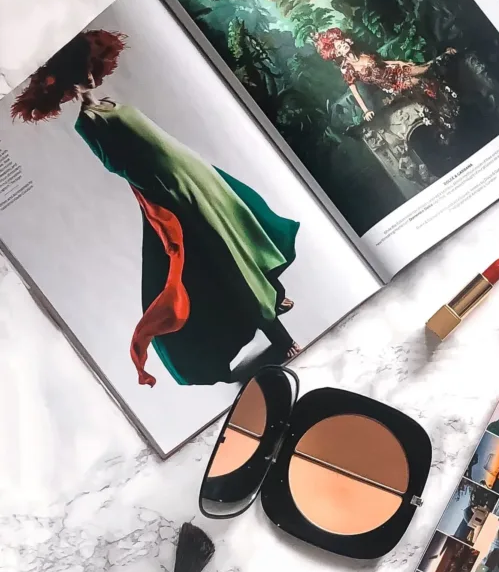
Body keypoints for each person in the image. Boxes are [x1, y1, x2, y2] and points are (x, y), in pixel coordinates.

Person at [11, 30, 301, 387]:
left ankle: (275, 295)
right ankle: (280, 335)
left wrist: (192, 169)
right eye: (80, 75)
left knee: (242, 233)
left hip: (197, 177)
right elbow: (118, 164)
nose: (89, 77)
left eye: (88, 68)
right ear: (69, 84)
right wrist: (165, 192)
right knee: (226, 259)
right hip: (176, 193)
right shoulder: (88, 121)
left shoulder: (110, 103)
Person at [311, 27, 457, 124]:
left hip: (396, 70)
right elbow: (355, 93)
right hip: (392, 84)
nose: (344, 45)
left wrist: (398, 62)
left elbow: (382, 63)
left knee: (423, 69)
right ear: (338, 53)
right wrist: (366, 111)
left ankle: (446, 55)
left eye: (343, 42)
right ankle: (443, 105)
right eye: (340, 46)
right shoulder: (348, 70)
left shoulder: (363, 54)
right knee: (419, 82)